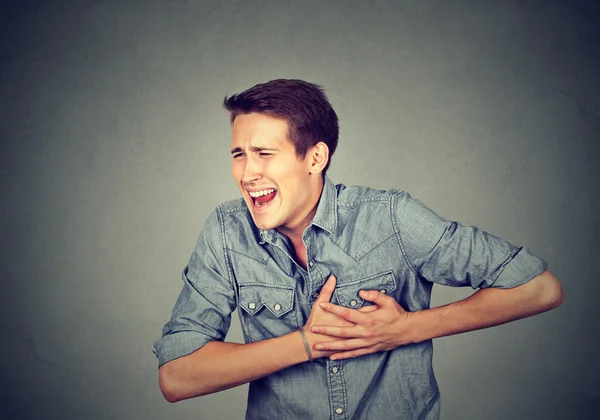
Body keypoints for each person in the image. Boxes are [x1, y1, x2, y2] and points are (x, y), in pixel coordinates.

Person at [152, 79, 563, 419]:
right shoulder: (226, 232)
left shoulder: (392, 218)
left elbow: (539, 288)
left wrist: (406, 329)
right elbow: (177, 377)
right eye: (239, 154)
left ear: (315, 158)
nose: (246, 173)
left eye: (264, 153)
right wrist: (307, 343)